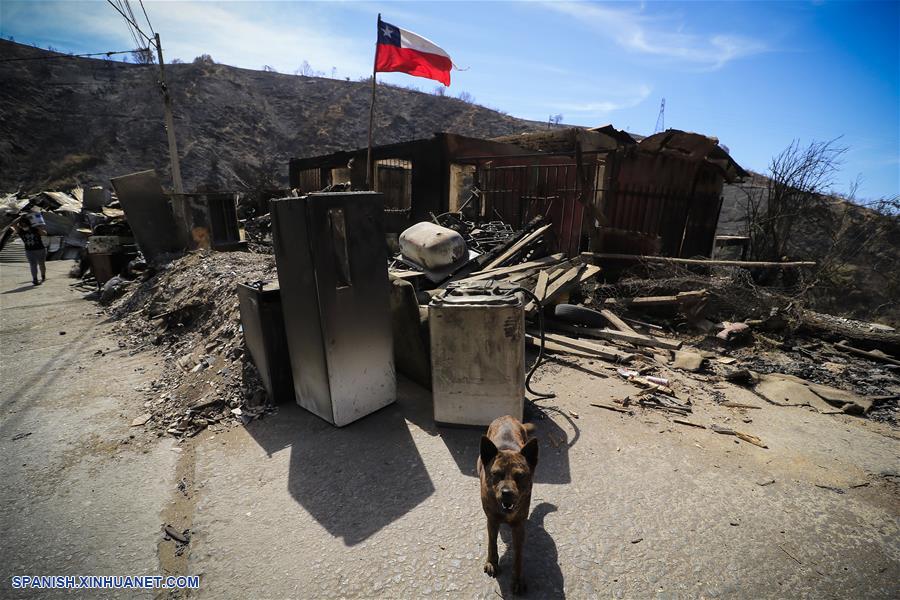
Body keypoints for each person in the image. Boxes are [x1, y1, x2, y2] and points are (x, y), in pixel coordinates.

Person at [11, 216, 47, 285]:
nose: (24, 226)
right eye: (22, 225)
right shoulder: (20, 231)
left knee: (41, 264)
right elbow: (13, 224)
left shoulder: (35, 229)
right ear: (20, 225)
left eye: (25, 224)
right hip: (29, 251)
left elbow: (44, 234)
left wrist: (38, 227)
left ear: (29, 224)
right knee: (33, 265)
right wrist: (21, 217)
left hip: (40, 249)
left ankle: (43, 277)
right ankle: (35, 279)